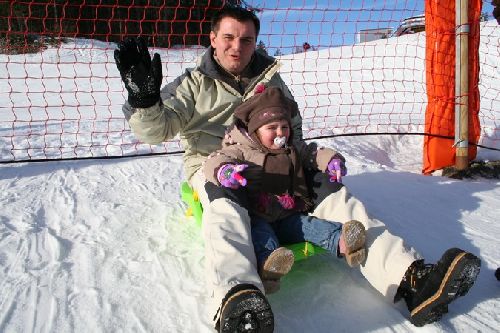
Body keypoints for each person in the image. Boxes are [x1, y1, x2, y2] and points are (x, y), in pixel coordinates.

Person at [113, 5, 481, 332]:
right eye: (228, 37)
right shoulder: (194, 86)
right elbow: (158, 130)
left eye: (246, 39)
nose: (236, 47)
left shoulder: (269, 80)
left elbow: (295, 129)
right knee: (226, 208)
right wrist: (144, 101)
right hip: (217, 165)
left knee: (334, 195)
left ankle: (409, 279)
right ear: (212, 39)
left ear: (256, 40)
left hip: (274, 158)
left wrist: (305, 164)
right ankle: (237, 297)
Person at [203, 86, 367, 294]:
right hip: (257, 216)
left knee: (308, 225)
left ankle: (344, 243)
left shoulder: (292, 148)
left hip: (287, 213)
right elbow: (215, 159)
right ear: (255, 130)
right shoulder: (242, 149)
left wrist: (331, 160)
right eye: (272, 128)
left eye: (284, 127)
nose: (280, 133)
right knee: (264, 238)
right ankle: (269, 269)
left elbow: (313, 152)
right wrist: (225, 171)